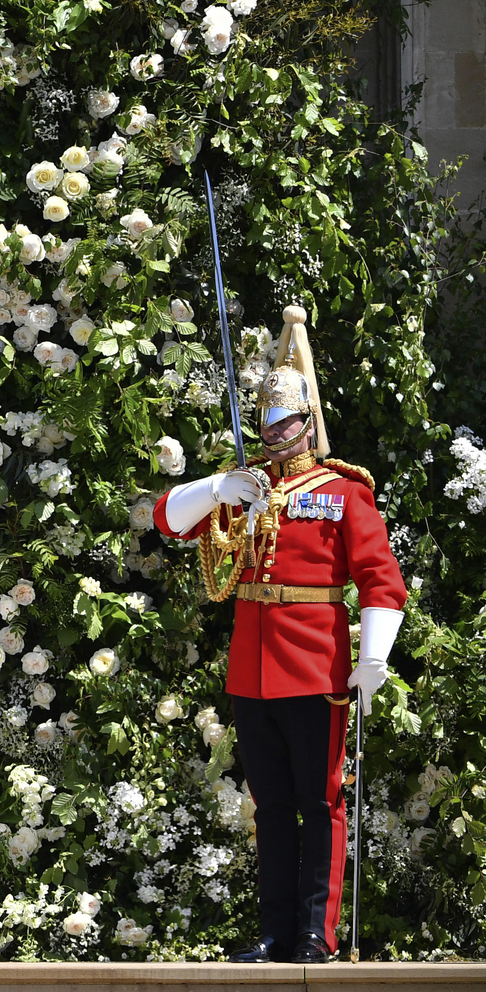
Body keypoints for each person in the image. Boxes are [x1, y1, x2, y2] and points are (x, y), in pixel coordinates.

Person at [154, 305, 405, 964]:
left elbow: (382, 581)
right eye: (265, 425)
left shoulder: (345, 493)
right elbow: (169, 520)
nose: (273, 436)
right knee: (270, 808)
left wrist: (372, 658)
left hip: (317, 668)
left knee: (319, 805)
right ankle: (273, 933)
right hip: (253, 671)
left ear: (307, 424)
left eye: (285, 424)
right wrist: (217, 485)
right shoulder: (246, 486)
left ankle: (314, 937)